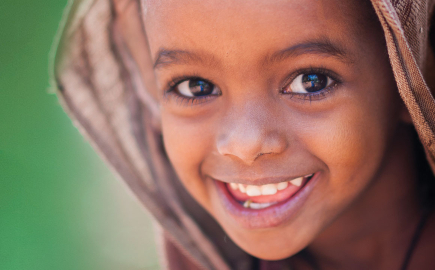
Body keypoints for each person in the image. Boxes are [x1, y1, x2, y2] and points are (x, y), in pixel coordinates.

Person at [52, 0, 435, 269]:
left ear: (413, 74)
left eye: (309, 81)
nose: (242, 144)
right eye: (194, 87)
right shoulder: (201, 254)